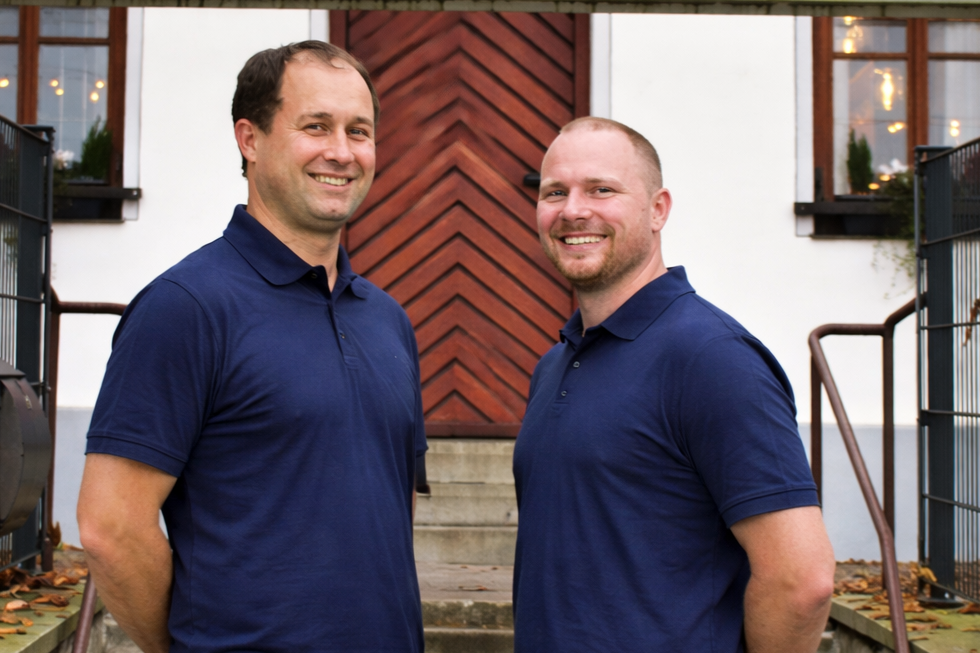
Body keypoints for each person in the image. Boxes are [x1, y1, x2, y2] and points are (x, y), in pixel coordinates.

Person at [76, 41, 426, 653]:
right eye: (315, 126)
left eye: (359, 131)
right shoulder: (185, 308)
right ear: (250, 139)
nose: (342, 152)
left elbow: (391, 517)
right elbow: (110, 527)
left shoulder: (387, 321)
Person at [512, 117, 836, 653]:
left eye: (601, 189)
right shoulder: (555, 364)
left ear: (658, 209)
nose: (573, 211)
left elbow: (802, 582)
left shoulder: (712, 359)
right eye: (554, 192)